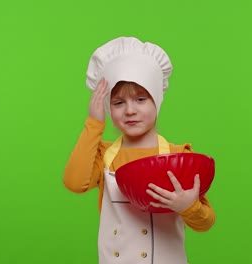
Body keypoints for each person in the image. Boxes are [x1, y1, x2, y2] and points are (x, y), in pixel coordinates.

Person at [63, 36, 216, 264]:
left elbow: (205, 223)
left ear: (157, 100)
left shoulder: (179, 156)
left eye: (141, 99)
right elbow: (74, 183)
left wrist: (188, 206)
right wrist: (94, 123)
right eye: (118, 103)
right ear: (108, 108)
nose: (130, 110)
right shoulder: (104, 155)